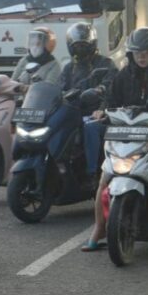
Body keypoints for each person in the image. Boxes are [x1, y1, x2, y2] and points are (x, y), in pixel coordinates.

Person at [82, 27, 148, 251]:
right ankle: (100, 228)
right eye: (137, 52)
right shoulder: (124, 74)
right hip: (126, 135)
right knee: (105, 177)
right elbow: (111, 98)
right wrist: (103, 110)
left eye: (146, 52)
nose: (141, 56)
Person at [60, 23, 118, 183]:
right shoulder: (68, 68)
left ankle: (91, 173)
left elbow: (111, 88)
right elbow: (60, 89)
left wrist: (100, 100)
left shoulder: (105, 64)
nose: (80, 50)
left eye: (83, 46)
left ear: (92, 44)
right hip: (72, 112)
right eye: (76, 46)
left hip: (97, 113)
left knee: (89, 127)